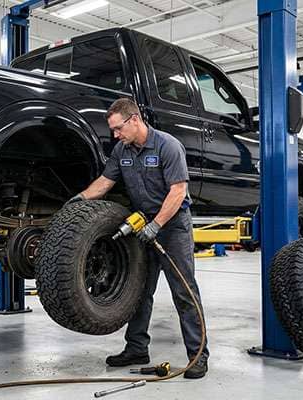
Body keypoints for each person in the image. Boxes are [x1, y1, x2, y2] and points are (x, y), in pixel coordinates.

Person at [66, 98, 209, 379]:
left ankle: (198, 355)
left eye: (118, 128)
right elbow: (105, 182)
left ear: (134, 120)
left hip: (172, 227)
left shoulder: (168, 146)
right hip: (143, 225)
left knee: (184, 291)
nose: (115, 135)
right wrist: (80, 199)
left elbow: (177, 192)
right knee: (140, 291)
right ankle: (136, 348)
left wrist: (157, 225)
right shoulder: (122, 150)